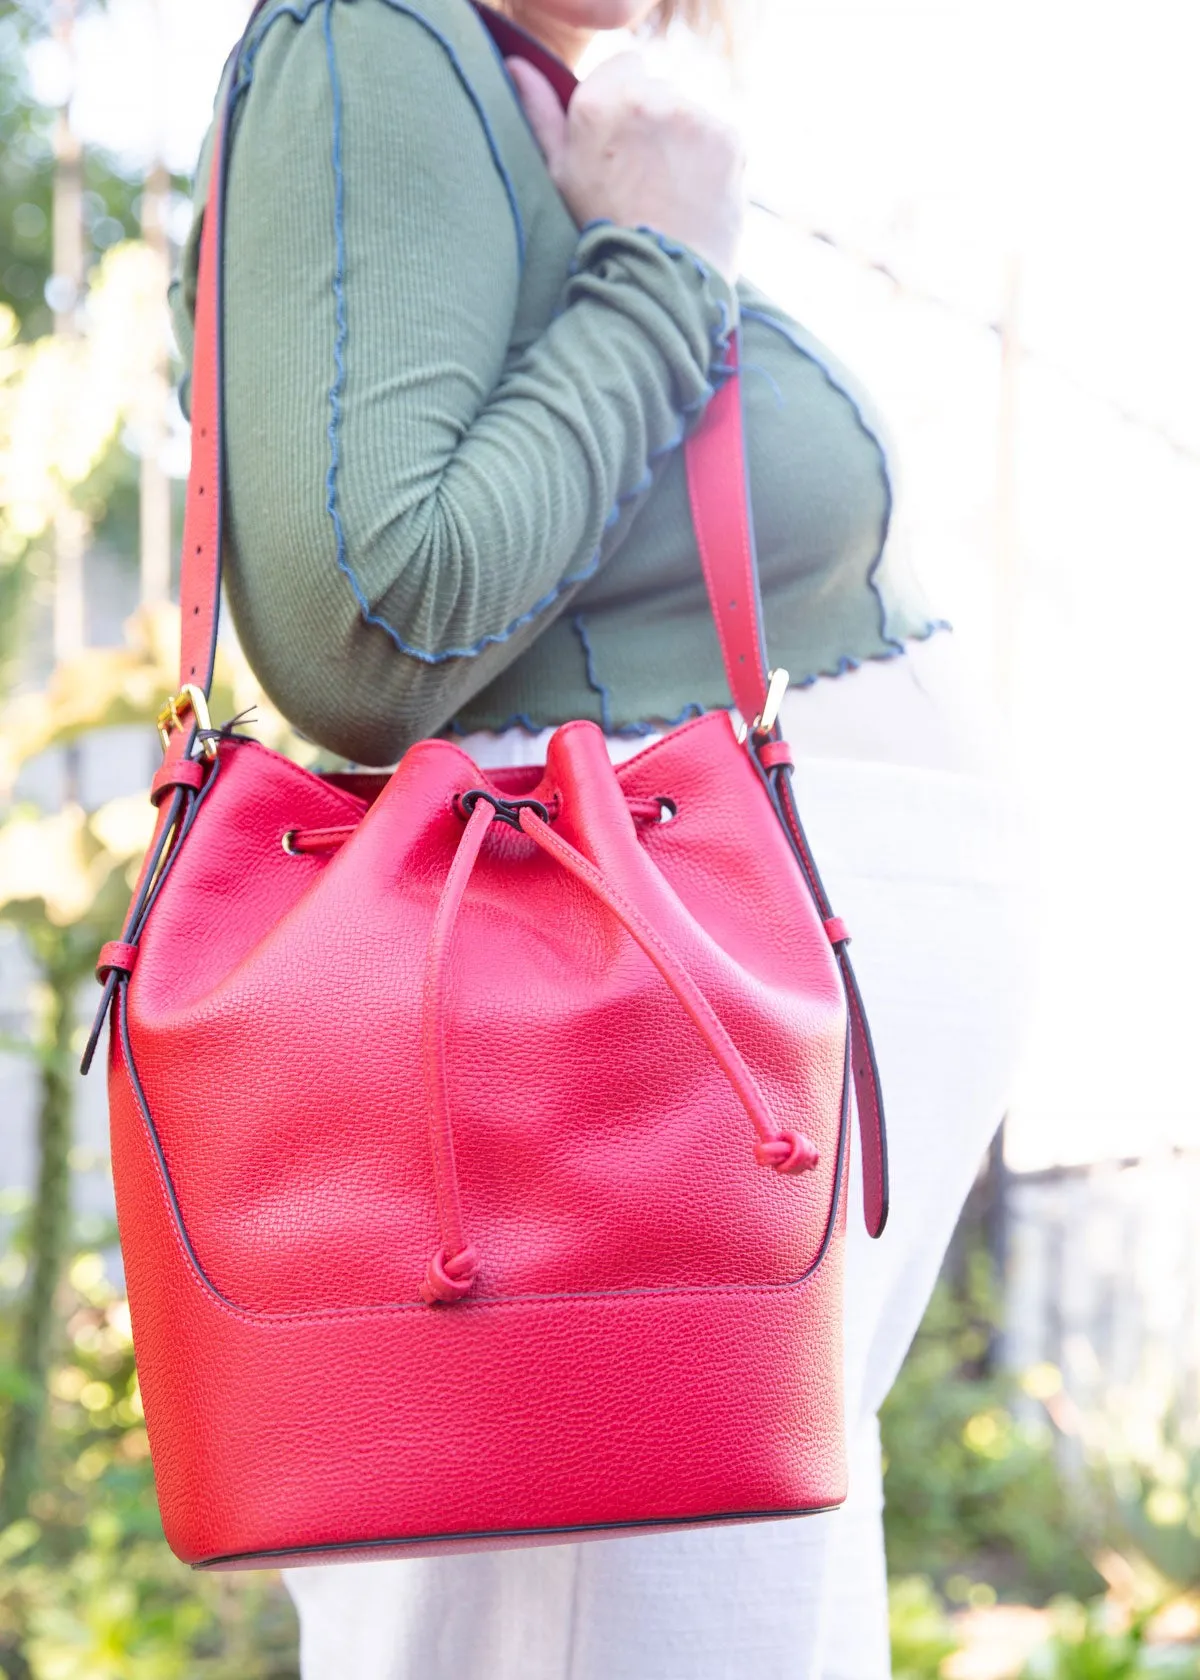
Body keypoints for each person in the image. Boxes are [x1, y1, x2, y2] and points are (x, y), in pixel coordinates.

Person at [173, 0, 1028, 1674]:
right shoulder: (375, 38)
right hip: (599, 1058)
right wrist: (657, 261)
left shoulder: (521, 87)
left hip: (675, 1091)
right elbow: (376, 615)